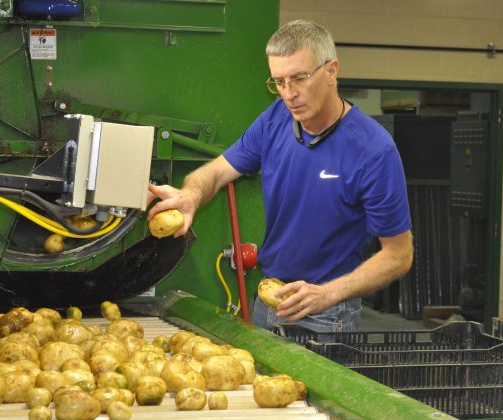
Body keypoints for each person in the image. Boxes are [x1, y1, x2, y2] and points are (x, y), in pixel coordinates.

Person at [147, 19, 413, 333]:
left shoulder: (373, 149)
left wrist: (327, 294)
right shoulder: (274, 120)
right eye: (279, 82)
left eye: (299, 78)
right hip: (268, 300)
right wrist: (191, 194)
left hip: (326, 313)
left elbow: (399, 255)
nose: (289, 94)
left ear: (331, 71)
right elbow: (217, 172)